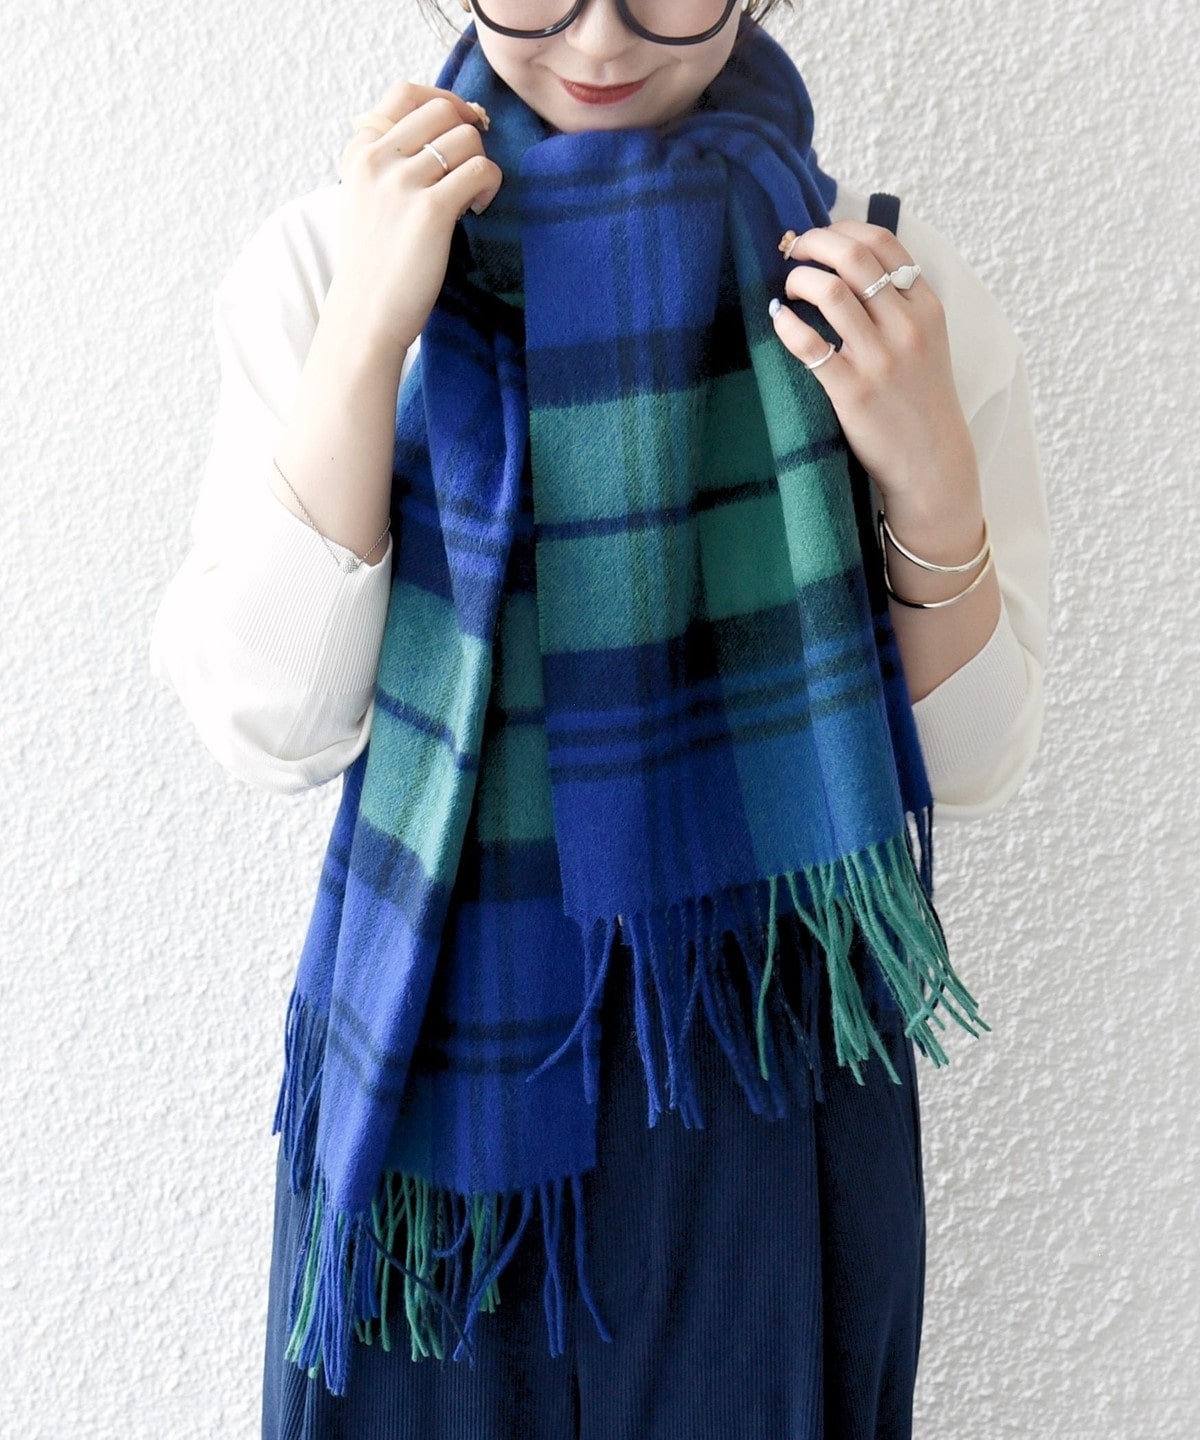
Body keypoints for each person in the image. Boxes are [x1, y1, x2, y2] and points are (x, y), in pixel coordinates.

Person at [149, 0, 1050, 1435]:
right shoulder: (337, 255)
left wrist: (930, 478)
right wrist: (371, 326)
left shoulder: (878, 276)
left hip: (763, 1064)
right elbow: (272, 725)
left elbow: (972, 762)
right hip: (441, 1102)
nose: (601, 38)